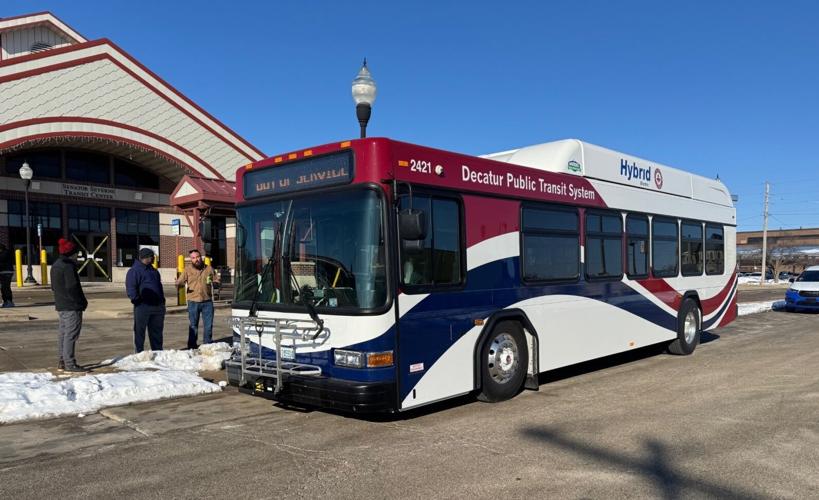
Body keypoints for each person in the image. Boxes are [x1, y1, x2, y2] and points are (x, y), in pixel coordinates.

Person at [51, 238, 88, 372]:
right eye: (76, 253)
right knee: (71, 334)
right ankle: (69, 363)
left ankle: (62, 360)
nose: (77, 256)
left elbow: (53, 287)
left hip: (61, 304)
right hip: (71, 306)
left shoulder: (56, 265)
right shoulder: (68, 266)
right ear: (71, 253)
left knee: (63, 333)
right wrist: (80, 302)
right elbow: (73, 287)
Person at [176, 249, 220, 349]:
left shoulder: (209, 269)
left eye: (198, 257)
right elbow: (179, 282)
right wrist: (178, 284)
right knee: (193, 326)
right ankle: (192, 346)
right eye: (194, 258)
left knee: (208, 326)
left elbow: (216, 279)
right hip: (193, 302)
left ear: (201, 257)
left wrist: (217, 282)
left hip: (207, 301)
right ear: (191, 259)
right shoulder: (187, 270)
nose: (196, 259)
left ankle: (207, 345)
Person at [125, 248, 165, 353]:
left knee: (156, 332)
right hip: (143, 307)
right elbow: (131, 288)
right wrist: (137, 301)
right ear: (145, 257)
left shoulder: (154, 271)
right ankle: (139, 354)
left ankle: (158, 353)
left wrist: (162, 301)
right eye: (151, 257)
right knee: (139, 332)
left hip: (158, 306)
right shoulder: (134, 271)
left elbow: (159, 286)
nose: (153, 259)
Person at [0, 243, 14, 308]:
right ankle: (6, 301)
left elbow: (2, 260)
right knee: (4, 288)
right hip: (4, 272)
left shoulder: (5, 253)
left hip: (6, 272)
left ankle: (9, 302)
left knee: (5, 287)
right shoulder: (5, 252)